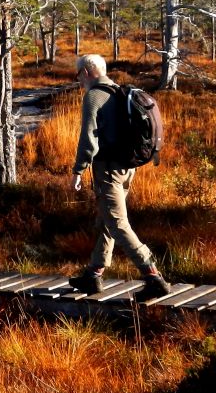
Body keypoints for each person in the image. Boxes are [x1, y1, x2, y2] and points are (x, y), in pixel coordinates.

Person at [67, 54, 172, 302]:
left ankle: (153, 276)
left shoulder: (94, 96)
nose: (78, 79)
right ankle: (93, 274)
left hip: (108, 170)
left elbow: (88, 139)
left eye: (78, 74)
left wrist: (78, 170)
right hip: (127, 169)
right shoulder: (119, 91)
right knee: (107, 219)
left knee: (117, 223)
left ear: (86, 72)